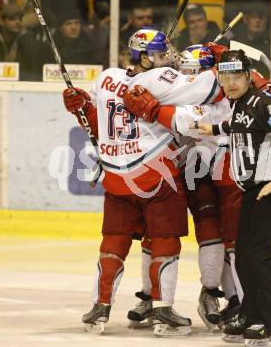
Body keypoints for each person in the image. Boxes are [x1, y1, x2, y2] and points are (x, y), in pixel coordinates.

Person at [62, 27, 224, 336]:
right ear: (147, 56)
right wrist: (215, 57)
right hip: (155, 173)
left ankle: (101, 305)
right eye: (162, 54)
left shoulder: (107, 78)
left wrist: (82, 106)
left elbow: (99, 126)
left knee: (114, 240)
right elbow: (213, 88)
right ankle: (162, 309)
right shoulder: (160, 80)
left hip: (116, 177)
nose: (167, 59)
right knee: (164, 239)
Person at [126, 44, 243, 331]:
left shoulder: (223, 92)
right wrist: (137, 80)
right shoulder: (181, 88)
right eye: (185, 72)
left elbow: (191, 122)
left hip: (218, 171)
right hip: (181, 170)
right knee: (158, 235)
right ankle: (149, 296)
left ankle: (216, 294)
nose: (188, 76)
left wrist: (155, 110)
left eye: (194, 71)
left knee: (220, 236)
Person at [196, 50, 271, 346]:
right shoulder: (241, 104)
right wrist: (215, 128)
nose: (230, 83)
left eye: (236, 77)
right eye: (225, 77)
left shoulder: (265, 103)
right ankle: (249, 311)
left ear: (248, 76)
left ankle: (265, 322)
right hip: (253, 193)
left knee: (257, 257)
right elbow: (242, 126)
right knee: (243, 258)